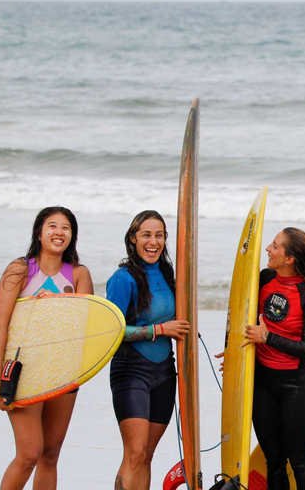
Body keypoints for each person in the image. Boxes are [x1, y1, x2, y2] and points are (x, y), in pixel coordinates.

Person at [0, 206, 93, 490]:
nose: (59, 232)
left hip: (64, 371)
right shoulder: (20, 269)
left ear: (72, 236)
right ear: (39, 232)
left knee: (50, 454)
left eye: (66, 227)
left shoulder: (78, 274)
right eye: (52, 226)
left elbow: (88, 326)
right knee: (29, 454)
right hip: (24, 371)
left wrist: (59, 304)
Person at [106, 210, 190, 490]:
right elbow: (112, 331)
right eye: (146, 235)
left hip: (165, 372)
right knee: (136, 452)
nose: (153, 241)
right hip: (131, 371)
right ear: (133, 238)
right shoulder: (123, 278)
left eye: (159, 235)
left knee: (148, 455)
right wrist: (160, 330)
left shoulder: (168, 274)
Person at [243, 227, 305, 490]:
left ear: (289, 258)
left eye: (275, 245)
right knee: (274, 461)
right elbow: (243, 314)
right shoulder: (265, 278)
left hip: (295, 385)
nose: (268, 249)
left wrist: (268, 338)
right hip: (262, 381)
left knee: (300, 461)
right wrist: (235, 351)